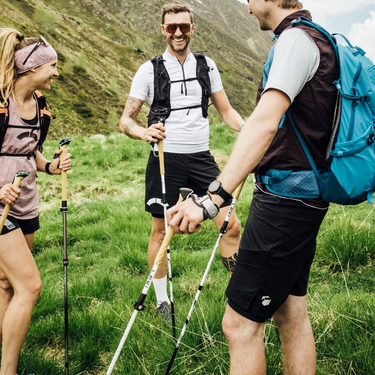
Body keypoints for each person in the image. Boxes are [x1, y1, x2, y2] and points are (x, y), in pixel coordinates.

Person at [167, 0, 339, 373]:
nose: (247, 7)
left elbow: (264, 124)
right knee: (290, 311)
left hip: (284, 202)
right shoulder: (314, 38)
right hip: (305, 195)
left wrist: (211, 200)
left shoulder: (294, 42)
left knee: (239, 325)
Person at [119, 1, 244, 318]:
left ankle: (238, 298)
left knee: (230, 226)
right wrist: (143, 133)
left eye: (184, 26)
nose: (178, 32)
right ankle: (163, 301)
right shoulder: (149, 69)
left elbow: (226, 111)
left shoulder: (207, 65)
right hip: (165, 159)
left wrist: (249, 131)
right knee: (161, 232)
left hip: (201, 158)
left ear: (192, 28)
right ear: (163, 29)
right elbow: (126, 121)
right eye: (171, 27)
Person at [0, 28, 71, 375]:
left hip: (26, 201)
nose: (56, 72)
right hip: (0, 204)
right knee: (30, 285)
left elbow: (31, 153)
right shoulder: (1, 102)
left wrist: (51, 166)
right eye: (52, 65)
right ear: (30, 67)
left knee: (5, 283)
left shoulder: (40, 105)